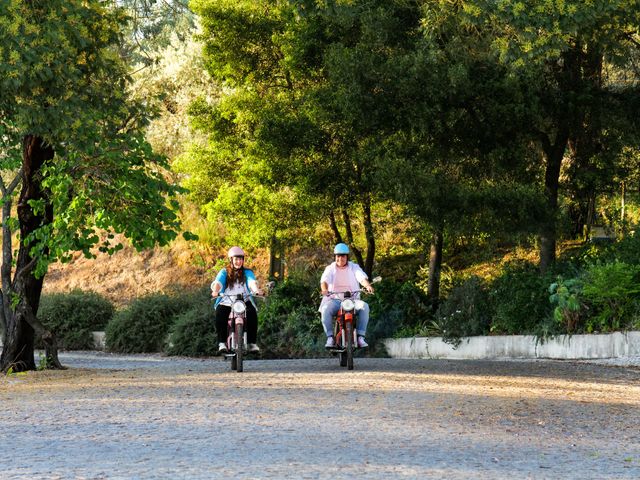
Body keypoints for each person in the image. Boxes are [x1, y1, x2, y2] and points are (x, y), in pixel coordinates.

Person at [319, 243, 374, 349]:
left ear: (347, 257)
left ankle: (360, 337)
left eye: (343, 256)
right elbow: (324, 280)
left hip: (352, 300)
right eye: (338, 256)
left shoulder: (354, 267)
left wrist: (367, 285)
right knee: (325, 309)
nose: (340, 258)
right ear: (335, 257)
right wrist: (325, 290)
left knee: (364, 306)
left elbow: (361, 277)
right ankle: (330, 337)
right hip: (335, 300)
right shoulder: (330, 268)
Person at [211, 246, 263, 353]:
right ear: (231, 260)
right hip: (227, 301)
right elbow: (218, 282)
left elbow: (251, 282)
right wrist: (215, 291)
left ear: (243, 260)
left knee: (252, 313)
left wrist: (256, 290)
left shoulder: (247, 272)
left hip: (243, 300)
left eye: (240, 259)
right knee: (220, 313)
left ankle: (251, 343)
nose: (238, 262)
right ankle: (221, 343)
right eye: (236, 259)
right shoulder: (224, 271)